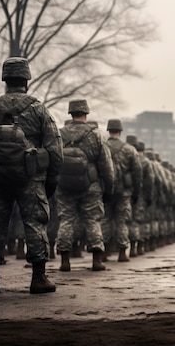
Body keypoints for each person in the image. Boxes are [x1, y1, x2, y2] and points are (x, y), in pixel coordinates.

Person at [0, 57, 63, 294]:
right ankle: (38, 278)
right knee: (35, 224)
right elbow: (55, 148)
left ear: (5, 79)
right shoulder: (38, 109)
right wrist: (51, 180)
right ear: (26, 79)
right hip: (31, 178)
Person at [55, 99, 114, 272]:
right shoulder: (95, 135)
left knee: (66, 220)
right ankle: (96, 260)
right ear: (86, 113)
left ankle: (65, 260)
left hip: (64, 186)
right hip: (91, 187)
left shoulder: (60, 134)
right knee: (93, 220)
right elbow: (106, 165)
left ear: (70, 113)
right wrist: (108, 189)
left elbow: (53, 160)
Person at [101, 119, 142, 262]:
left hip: (106, 191)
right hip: (124, 192)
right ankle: (122, 252)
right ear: (120, 131)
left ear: (108, 130)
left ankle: (105, 251)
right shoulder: (129, 149)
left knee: (105, 220)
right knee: (122, 221)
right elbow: (137, 173)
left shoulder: (102, 146)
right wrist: (136, 192)